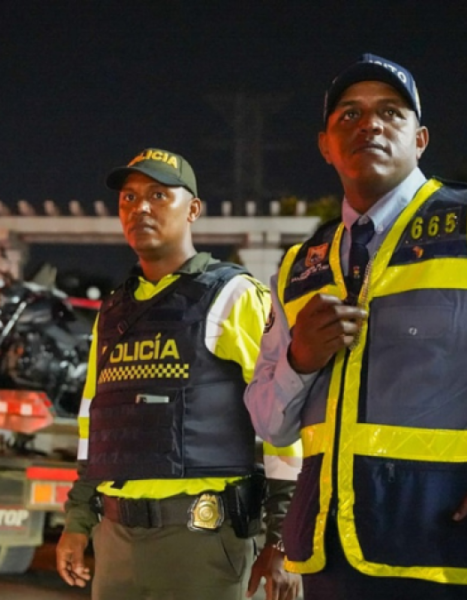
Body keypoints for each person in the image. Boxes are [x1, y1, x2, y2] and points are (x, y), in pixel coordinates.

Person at [244, 54, 467, 600]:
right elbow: (269, 425)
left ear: (419, 139)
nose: (368, 123)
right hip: (330, 559)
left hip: (450, 555)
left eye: (389, 113)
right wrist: (300, 359)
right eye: (348, 115)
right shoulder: (300, 267)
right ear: (325, 145)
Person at [56, 148, 302, 600]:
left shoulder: (233, 296)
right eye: (128, 198)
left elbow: (281, 422)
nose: (140, 207)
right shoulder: (112, 311)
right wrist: (78, 522)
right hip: (116, 544)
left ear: (193, 210)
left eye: (157, 195)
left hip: (203, 547)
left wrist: (282, 542)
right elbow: (96, 423)